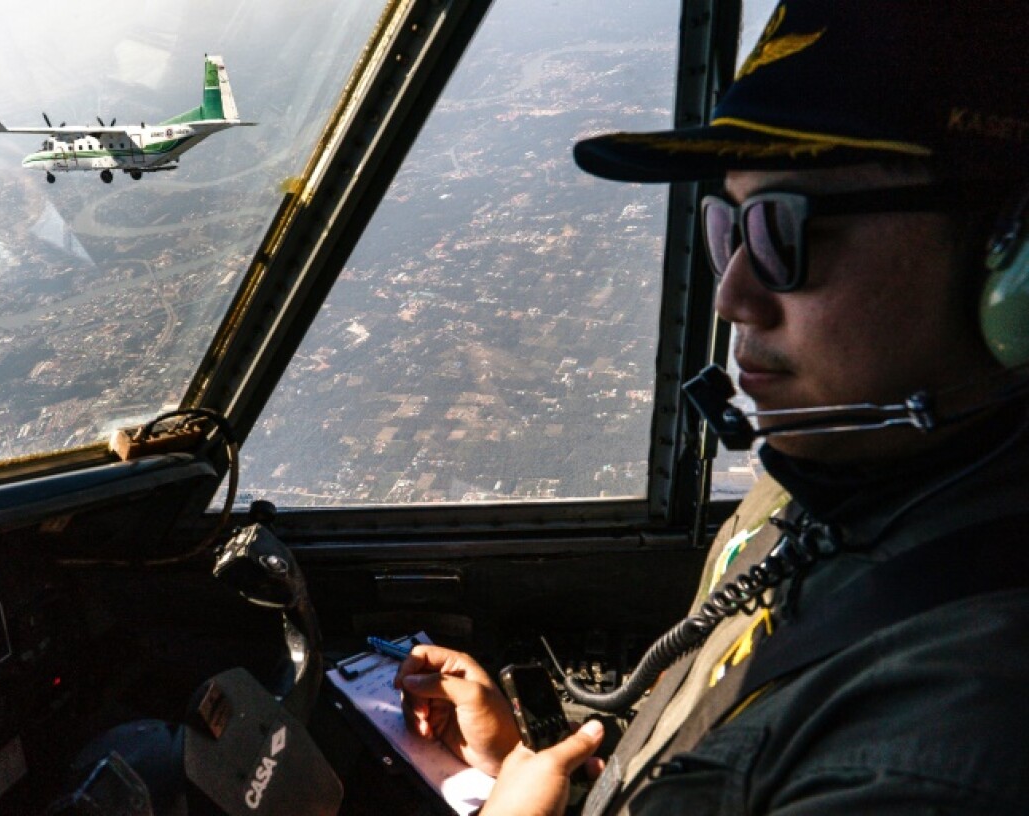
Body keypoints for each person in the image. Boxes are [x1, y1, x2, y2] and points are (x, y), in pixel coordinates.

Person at [395, 1, 1029, 813]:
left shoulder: (942, 744)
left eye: (781, 232)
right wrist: (516, 767)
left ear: (1010, 262)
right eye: (725, 228)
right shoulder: (815, 490)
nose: (733, 296)